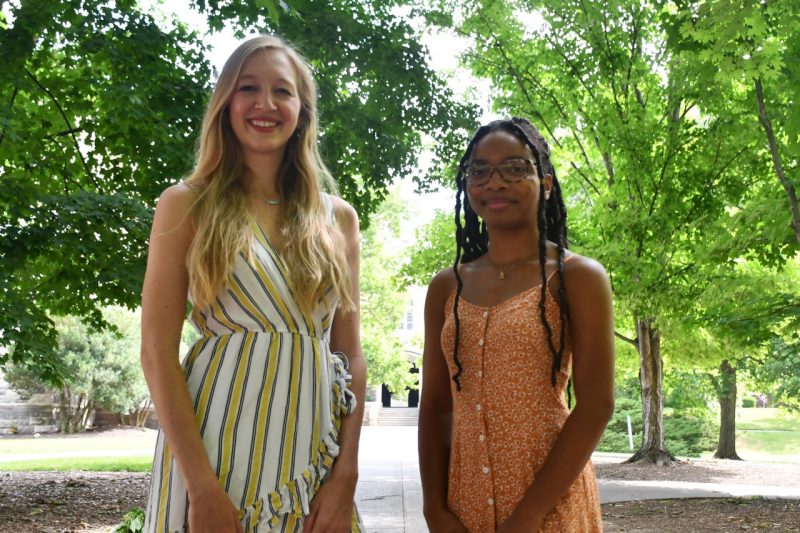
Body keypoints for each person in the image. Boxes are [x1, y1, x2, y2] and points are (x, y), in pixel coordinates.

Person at [140, 35, 366, 533]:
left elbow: (350, 354)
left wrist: (345, 473)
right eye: (249, 88)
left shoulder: (339, 219)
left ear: (302, 111)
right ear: (226, 103)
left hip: (314, 449)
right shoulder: (185, 204)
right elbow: (157, 351)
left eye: (282, 91)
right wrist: (200, 487)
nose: (266, 104)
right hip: (214, 450)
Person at [418, 118, 615, 532]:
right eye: (480, 171)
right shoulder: (445, 286)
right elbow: (436, 407)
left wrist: (527, 516)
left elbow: (596, 405)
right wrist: (434, 508)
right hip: (463, 505)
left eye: (514, 168)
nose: (495, 182)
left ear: (544, 184)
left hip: (549, 505)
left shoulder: (577, 277)